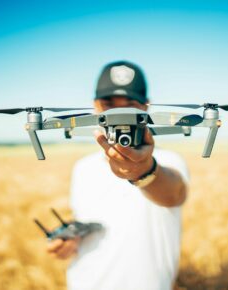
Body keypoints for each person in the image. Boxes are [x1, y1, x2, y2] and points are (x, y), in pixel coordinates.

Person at [47, 61, 189, 290]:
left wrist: (144, 170)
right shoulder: (82, 168)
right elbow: (90, 220)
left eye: (129, 105)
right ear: (95, 106)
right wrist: (70, 242)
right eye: (109, 105)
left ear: (145, 107)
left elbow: (173, 194)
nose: (119, 114)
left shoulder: (170, 161)